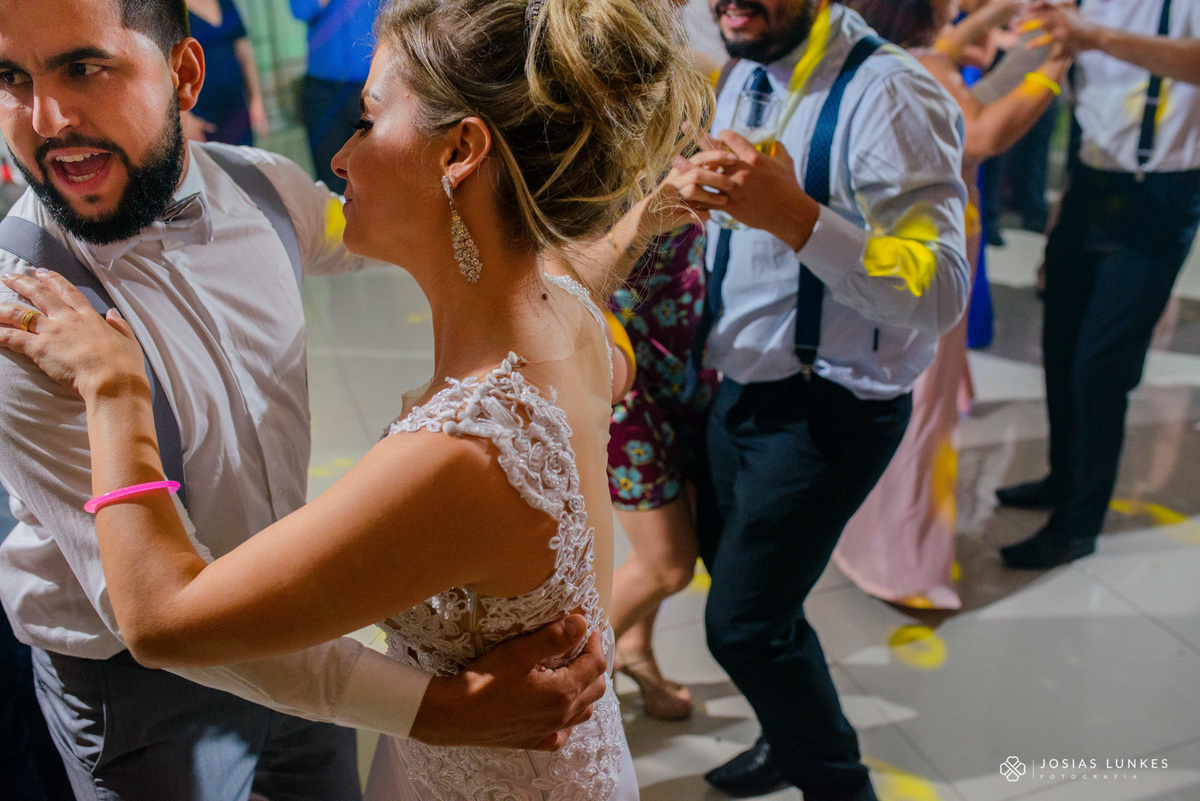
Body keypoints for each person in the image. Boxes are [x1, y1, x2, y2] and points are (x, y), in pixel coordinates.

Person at [0, 0, 711, 799]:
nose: (337, 159)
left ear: (183, 73)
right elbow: (559, 272)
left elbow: (168, 615)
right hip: (143, 698)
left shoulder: (461, 442)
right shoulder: (569, 324)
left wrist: (116, 386)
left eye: (368, 120)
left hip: (322, 641)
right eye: (8, 77)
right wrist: (624, 219)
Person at [668, 0, 971, 796]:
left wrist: (799, 217)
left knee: (742, 624)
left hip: (826, 407)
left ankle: (838, 782)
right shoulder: (747, 70)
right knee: (757, 596)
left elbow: (940, 291)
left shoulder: (892, 93)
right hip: (739, 381)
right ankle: (790, 740)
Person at [835, 0, 1068, 609]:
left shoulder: (878, 53)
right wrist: (1057, 61)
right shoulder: (926, 65)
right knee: (922, 408)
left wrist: (1005, 19)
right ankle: (907, 566)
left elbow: (955, 49)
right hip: (934, 248)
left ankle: (867, 543)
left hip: (899, 246)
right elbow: (983, 135)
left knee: (903, 393)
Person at [995, 0, 1200, 569]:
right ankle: (1064, 478)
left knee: (1100, 366)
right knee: (1059, 347)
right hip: (1089, 183)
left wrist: (1098, 36)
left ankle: (1079, 523)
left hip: (1160, 194)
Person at [290, 0, 382, 193]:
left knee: (372, 172)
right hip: (321, 88)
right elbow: (301, 10)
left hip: (369, 86)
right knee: (330, 174)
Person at [182, 0, 269, 146]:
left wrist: (256, 101)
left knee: (243, 165)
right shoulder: (171, 9)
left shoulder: (225, 3)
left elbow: (245, 54)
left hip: (237, 110)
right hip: (202, 117)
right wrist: (185, 118)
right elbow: (163, 68)